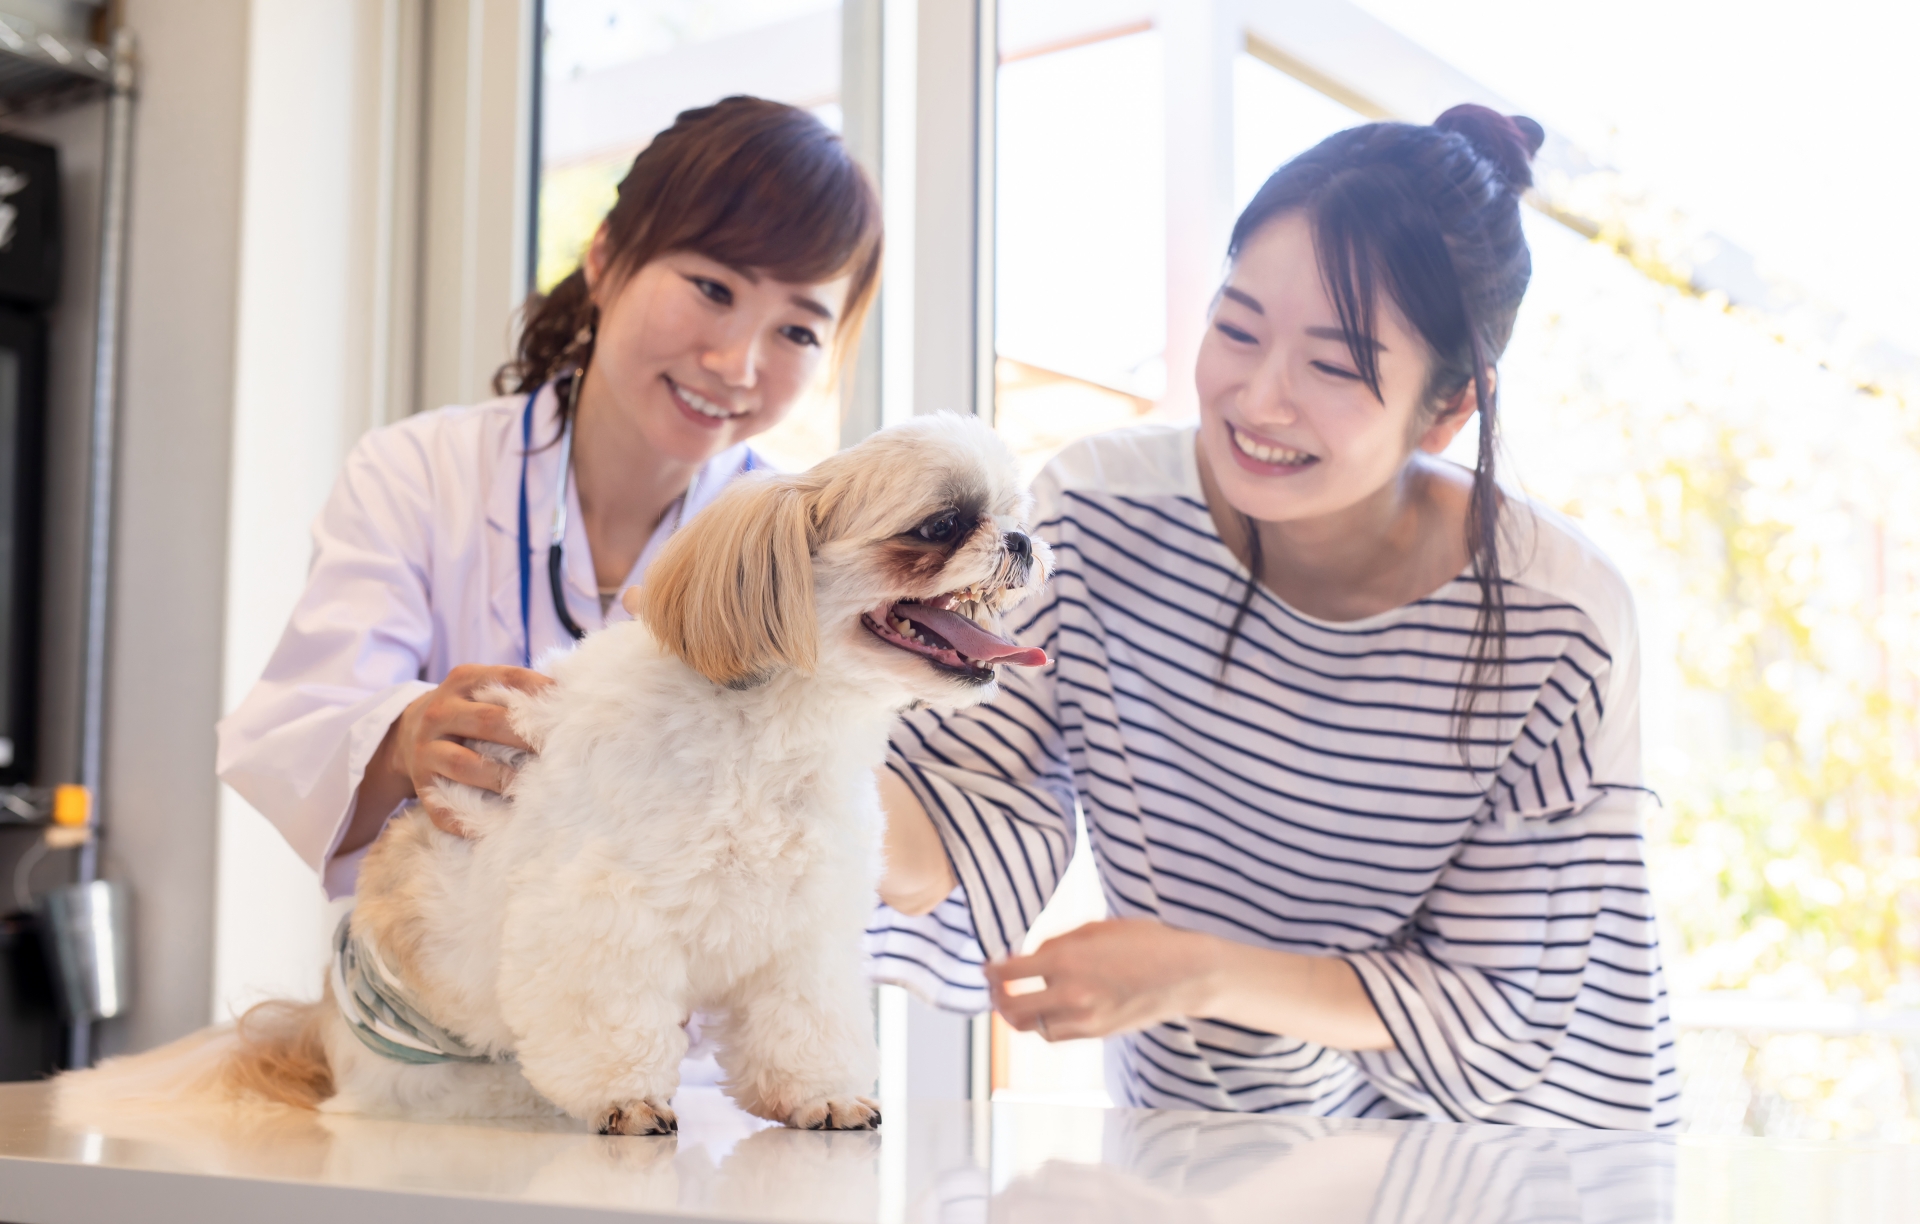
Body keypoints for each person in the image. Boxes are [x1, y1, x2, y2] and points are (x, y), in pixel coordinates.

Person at [869, 105, 1677, 1128]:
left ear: (1449, 406)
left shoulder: (1558, 619)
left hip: (1510, 1172)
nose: (1258, 398)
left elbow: (1504, 1004)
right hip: (1212, 1154)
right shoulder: (1097, 512)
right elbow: (953, 812)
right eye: (1237, 326)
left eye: (1333, 367)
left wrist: (1198, 972)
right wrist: (790, 726)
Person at [218, 97, 882, 899]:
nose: (736, 363)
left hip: (671, 1014)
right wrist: (404, 741)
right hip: (432, 994)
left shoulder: (797, 560)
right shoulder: (421, 472)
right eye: (712, 287)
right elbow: (306, 737)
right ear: (604, 259)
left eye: (799, 331)